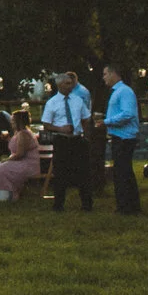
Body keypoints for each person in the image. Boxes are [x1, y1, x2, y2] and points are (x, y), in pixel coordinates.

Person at [45, 72, 95, 211]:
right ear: (60, 85)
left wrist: (84, 133)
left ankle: (87, 204)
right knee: (60, 173)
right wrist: (60, 129)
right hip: (62, 140)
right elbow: (46, 124)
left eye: (71, 83)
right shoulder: (52, 103)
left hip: (77, 139)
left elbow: (86, 117)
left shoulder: (77, 100)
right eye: (67, 83)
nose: (70, 86)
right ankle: (59, 204)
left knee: (83, 172)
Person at [101, 65, 141, 216]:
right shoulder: (117, 92)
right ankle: (128, 205)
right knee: (122, 171)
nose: (103, 77)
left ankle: (127, 206)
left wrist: (107, 121)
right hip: (118, 136)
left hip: (125, 137)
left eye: (105, 74)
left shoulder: (124, 92)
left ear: (113, 74)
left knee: (123, 172)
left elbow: (127, 114)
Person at [0, 108, 40, 202]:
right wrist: (7, 139)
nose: (11, 123)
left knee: (0, 170)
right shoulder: (17, 133)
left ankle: (9, 196)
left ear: (19, 122)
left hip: (27, 164)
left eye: (13, 121)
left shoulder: (24, 134)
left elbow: (20, 154)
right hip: (20, 162)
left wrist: (7, 160)